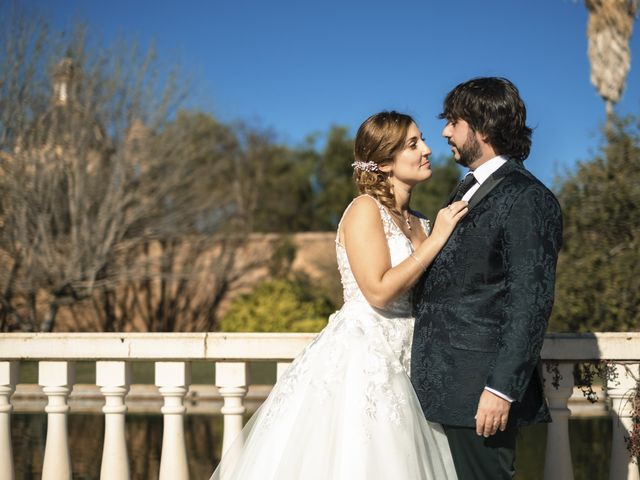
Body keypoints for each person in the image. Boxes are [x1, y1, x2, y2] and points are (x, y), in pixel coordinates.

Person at [209, 111, 466, 480]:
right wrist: (438, 240)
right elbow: (378, 291)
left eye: (422, 139)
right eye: (413, 144)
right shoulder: (365, 210)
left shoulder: (423, 221)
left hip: (414, 359)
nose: (427, 149)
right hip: (364, 361)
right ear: (383, 162)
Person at [411, 77, 563, 480]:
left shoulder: (527, 198)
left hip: (479, 395)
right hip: (441, 389)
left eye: (453, 122)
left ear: (483, 127)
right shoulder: (468, 189)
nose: (444, 132)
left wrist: (501, 390)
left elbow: (529, 302)